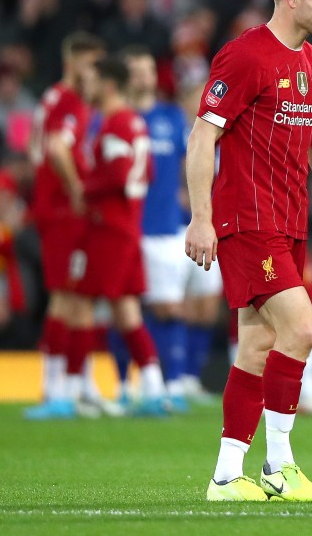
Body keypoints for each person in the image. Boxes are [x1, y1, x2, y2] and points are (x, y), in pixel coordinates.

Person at [185, 0, 312, 502]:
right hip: (247, 221)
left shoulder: (310, 60)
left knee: (257, 344)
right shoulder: (244, 57)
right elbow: (203, 137)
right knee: (303, 328)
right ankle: (279, 464)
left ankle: (226, 475)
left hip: (289, 223)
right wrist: (201, 218)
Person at [66, 55, 169, 416]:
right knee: (126, 312)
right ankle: (155, 389)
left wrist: (84, 189)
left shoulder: (115, 123)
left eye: (92, 80)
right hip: (128, 226)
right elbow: (148, 172)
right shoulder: (134, 122)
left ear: (108, 84)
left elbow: (120, 174)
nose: (87, 87)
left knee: (80, 304)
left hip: (109, 228)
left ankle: (75, 392)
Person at [24, 32, 105, 420]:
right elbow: (56, 147)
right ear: (74, 63)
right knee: (66, 297)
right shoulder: (70, 102)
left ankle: (74, 384)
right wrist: (74, 188)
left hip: (50, 209)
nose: (97, 75)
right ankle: (56, 389)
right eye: (92, 66)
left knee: (76, 296)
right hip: (62, 213)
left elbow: (34, 148)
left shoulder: (52, 99)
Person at [121, 45, 192, 411]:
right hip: (125, 228)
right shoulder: (115, 117)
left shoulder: (171, 117)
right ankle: (122, 386)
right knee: (121, 306)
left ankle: (175, 383)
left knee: (169, 307)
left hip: (164, 228)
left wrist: (189, 197)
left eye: (148, 68)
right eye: (135, 69)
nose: (143, 76)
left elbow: (188, 163)